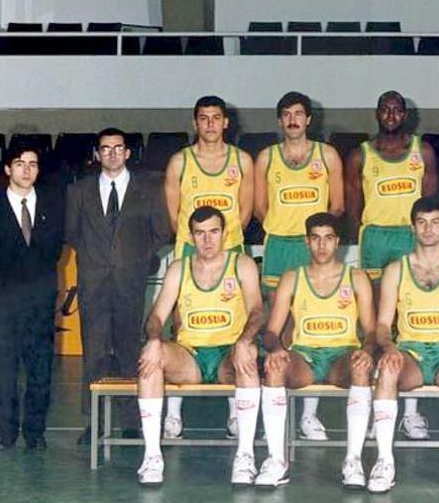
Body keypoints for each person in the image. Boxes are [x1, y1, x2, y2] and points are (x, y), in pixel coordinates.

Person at [134, 206, 264, 485]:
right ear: (191, 237)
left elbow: (256, 311)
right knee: (151, 359)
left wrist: (244, 341)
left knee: (249, 356)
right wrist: (154, 340)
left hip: (229, 354)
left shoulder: (242, 264)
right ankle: (152, 456)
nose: (207, 240)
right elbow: (156, 316)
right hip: (190, 356)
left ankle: (245, 455)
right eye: (200, 234)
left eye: (213, 232)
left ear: (224, 234)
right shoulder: (179, 268)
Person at [369, 197, 439, 494]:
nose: (429, 229)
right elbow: (382, 325)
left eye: (435, 222)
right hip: (411, 354)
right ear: (412, 227)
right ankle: (384, 461)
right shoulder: (396, 269)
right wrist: (389, 348)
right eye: (422, 222)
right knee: (387, 370)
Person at [65, 128, 170, 444]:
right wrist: (98, 258)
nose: (111, 153)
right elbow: (72, 233)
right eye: (105, 148)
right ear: (97, 154)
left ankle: (129, 421)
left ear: (127, 153)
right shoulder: (79, 191)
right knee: (94, 350)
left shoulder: (148, 189)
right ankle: (94, 422)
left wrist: (136, 257)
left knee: (128, 350)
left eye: (117, 148)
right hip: (93, 281)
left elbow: (161, 232)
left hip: (131, 280)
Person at [254, 212, 375, 487]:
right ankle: (276, 460)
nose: (322, 246)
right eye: (316, 239)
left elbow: (370, 332)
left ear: (338, 243)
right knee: (274, 368)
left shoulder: (356, 278)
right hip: (305, 357)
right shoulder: (291, 278)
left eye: (328, 239)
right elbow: (272, 332)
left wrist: (367, 350)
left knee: (360, 366)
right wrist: (275, 349)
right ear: (306, 242)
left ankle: (353, 460)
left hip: (342, 357)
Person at [344, 90, 438, 439]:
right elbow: (353, 208)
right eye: (385, 108)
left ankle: (410, 413)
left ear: (405, 115)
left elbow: (431, 205)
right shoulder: (361, 155)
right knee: (374, 325)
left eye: (397, 109)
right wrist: (361, 243)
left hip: (410, 238)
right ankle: (372, 408)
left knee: (408, 322)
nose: (391, 114)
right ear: (377, 113)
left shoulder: (422, 152)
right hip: (375, 241)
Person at [254, 91, 344, 442]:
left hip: (314, 246)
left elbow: (336, 206)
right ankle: (278, 404)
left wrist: (313, 238)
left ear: (309, 119)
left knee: (310, 329)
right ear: (280, 120)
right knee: (279, 325)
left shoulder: (328, 156)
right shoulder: (267, 158)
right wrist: (286, 227)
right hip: (279, 246)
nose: (292, 119)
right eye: (286, 114)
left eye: (298, 114)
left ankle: (309, 414)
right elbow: (260, 210)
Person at [162, 95, 254, 439]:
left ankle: (235, 413)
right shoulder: (180, 163)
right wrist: (199, 243)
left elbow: (244, 214)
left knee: (235, 326)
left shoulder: (242, 160)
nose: (211, 124)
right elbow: (175, 216)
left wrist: (224, 247)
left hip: (229, 250)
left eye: (217, 118)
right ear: (195, 123)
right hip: (191, 248)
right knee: (182, 326)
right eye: (204, 118)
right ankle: (173, 413)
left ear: (226, 122)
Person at [0, 143, 64, 451]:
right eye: (20, 163)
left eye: (33, 163)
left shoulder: (52, 205)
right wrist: (7, 283)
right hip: (4, 300)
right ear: (8, 169)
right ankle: (6, 435)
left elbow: (53, 252)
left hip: (41, 300)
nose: (27, 169)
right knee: (5, 371)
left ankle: (35, 433)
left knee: (40, 371)